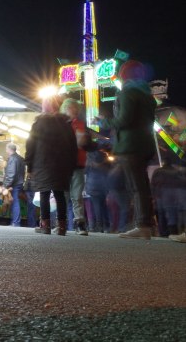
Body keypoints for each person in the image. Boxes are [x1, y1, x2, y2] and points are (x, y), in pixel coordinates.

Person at [97, 60, 157, 239]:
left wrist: (104, 122)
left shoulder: (127, 92)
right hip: (145, 144)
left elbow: (124, 120)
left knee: (136, 186)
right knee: (142, 186)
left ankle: (143, 225)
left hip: (130, 146)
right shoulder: (147, 95)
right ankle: (146, 224)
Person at [25, 95, 78, 235]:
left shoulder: (39, 123)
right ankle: (62, 227)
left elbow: (30, 145)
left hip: (43, 164)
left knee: (44, 194)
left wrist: (29, 165)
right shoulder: (66, 124)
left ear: (45, 107)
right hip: (62, 165)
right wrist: (71, 166)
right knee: (60, 194)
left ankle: (46, 225)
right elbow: (73, 146)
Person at [61, 98, 91, 235]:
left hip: (78, 163)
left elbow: (87, 144)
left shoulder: (81, 124)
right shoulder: (61, 124)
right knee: (64, 195)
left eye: (74, 108)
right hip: (65, 164)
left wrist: (85, 141)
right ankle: (61, 223)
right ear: (65, 109)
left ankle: (80, 224)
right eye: (70, 108)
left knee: (76, 196)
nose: (72, 111)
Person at [151, 158, 182, 238]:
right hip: (173, 195)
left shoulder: (158, 171)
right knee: (172, 213)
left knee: (161, 214)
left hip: (159, 195)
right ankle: (173, 232)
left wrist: (153, 195)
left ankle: (163, 233)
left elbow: (153, 184)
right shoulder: (176, 171)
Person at [84, 150, 111, 233]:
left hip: (93, 187)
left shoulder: (89, 164)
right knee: (104, 207)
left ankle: (100, 226)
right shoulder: (106, 164)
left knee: (97, 207)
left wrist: (85, 188)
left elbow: (85, 174)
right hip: (104, 187)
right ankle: (107, 225)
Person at [2, 143, 26, 227]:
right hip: (19, 182)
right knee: (14, 201)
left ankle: (16, 222)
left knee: (15, 201)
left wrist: (6, 185)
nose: (6, 150)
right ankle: (15, 222)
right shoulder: (20, 159)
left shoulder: (12, 159)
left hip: (14, 184)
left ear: (9, 149)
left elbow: (11, 173)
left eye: (6, 149)